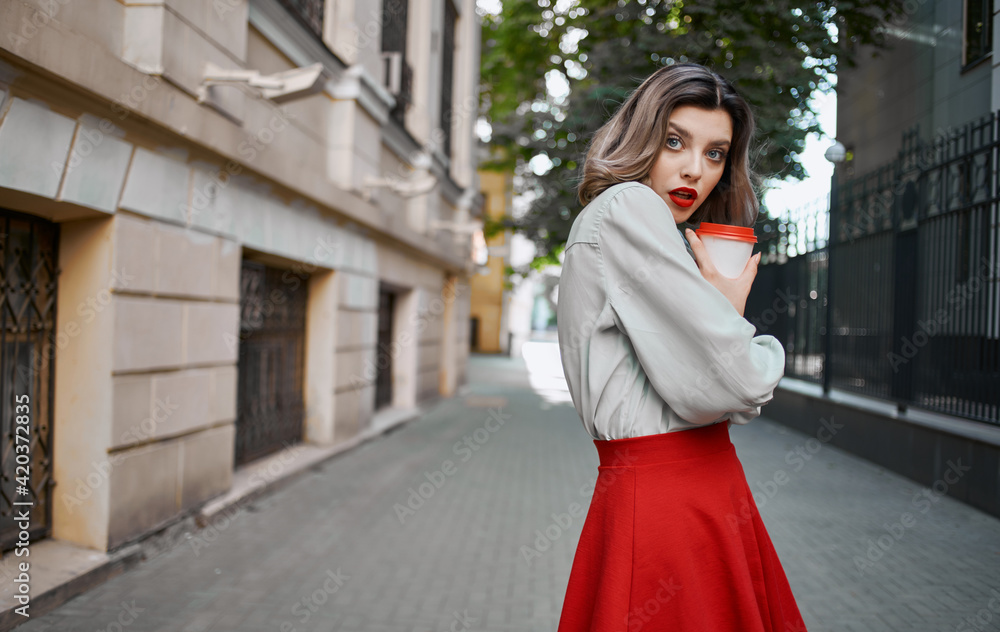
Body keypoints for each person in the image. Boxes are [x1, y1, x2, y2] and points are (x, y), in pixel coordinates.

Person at [555, 62, 809, 631]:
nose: (695, 168)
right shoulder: (628, 207)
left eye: (716, 153)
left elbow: (721, 389)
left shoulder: (620, 223)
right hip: (673, 498)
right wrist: (732, 320)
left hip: (685, 493)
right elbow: (736, 384)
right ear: (642, 136)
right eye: (675, 141)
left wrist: (724, 349)